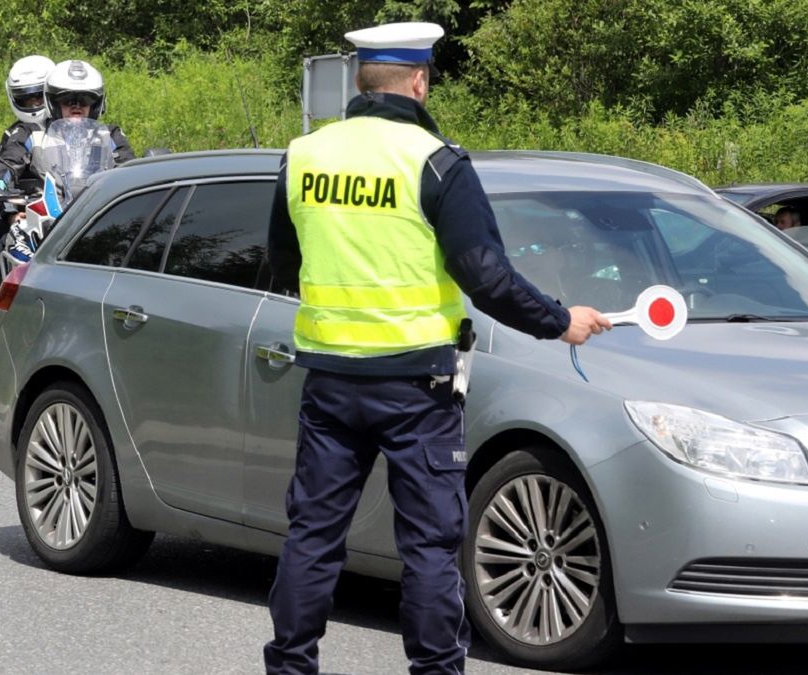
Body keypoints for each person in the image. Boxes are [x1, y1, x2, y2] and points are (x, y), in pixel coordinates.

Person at [262, 22, 612, 675]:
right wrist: (561, 321)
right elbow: (487, 277)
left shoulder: (304, 155)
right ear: (419, 81)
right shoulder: (435, 162)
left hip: (330, 381)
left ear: (361, 80)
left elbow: (282, 263)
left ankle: (289, 664)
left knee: (313, 533)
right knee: (427, 544)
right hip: (419, 386)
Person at [0, 54, 57, 347]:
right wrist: (2, 198)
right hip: (31, 213)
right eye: (27, 98)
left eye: (38, 97)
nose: (33, 104)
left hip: (81, 213)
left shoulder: (91, 131)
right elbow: (7, 164)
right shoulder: (19, 133)